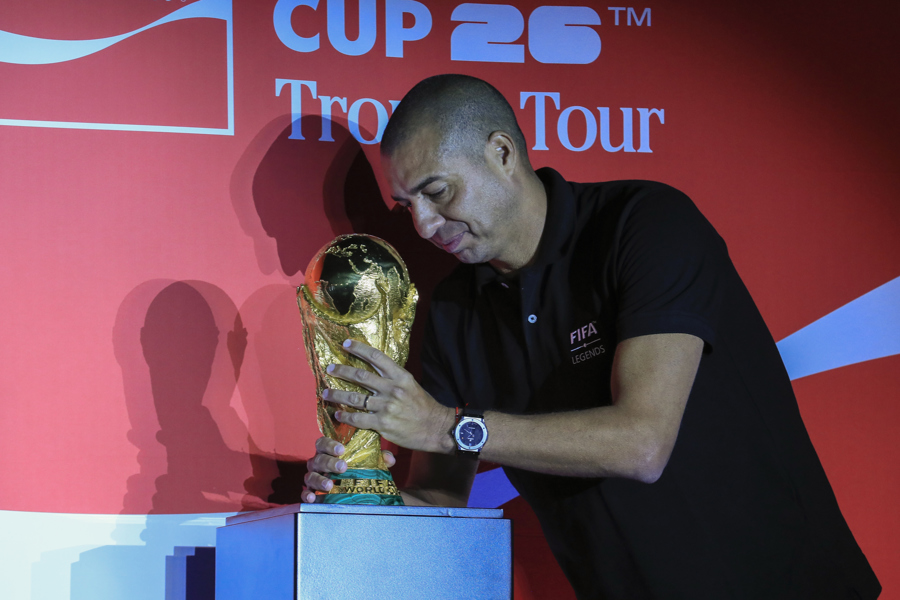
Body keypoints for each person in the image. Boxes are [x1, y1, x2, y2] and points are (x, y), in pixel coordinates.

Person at [302, 74, 881, 599]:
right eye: (407, 207)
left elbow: (642, 443)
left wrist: (444, 426)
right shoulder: (456, 307)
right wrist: (358, 492)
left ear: (501, 153)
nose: (424, 226)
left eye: (438, 192)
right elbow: (437, 500)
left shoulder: (645, 224)